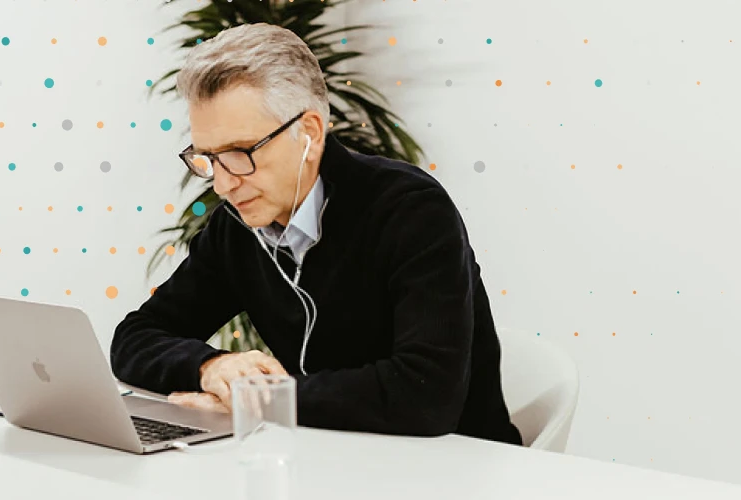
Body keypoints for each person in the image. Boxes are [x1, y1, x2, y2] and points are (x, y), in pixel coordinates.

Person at [110, 23, 522, 445]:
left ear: (308, 132)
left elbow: (426, 395)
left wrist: (260, 402)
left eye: (239, 154)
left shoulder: (412, 210)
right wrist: (209, 367)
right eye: (208, 159)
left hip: (458, 467)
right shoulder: (236, 227)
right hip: (324, 458)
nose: (222, 184)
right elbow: (135, 337)